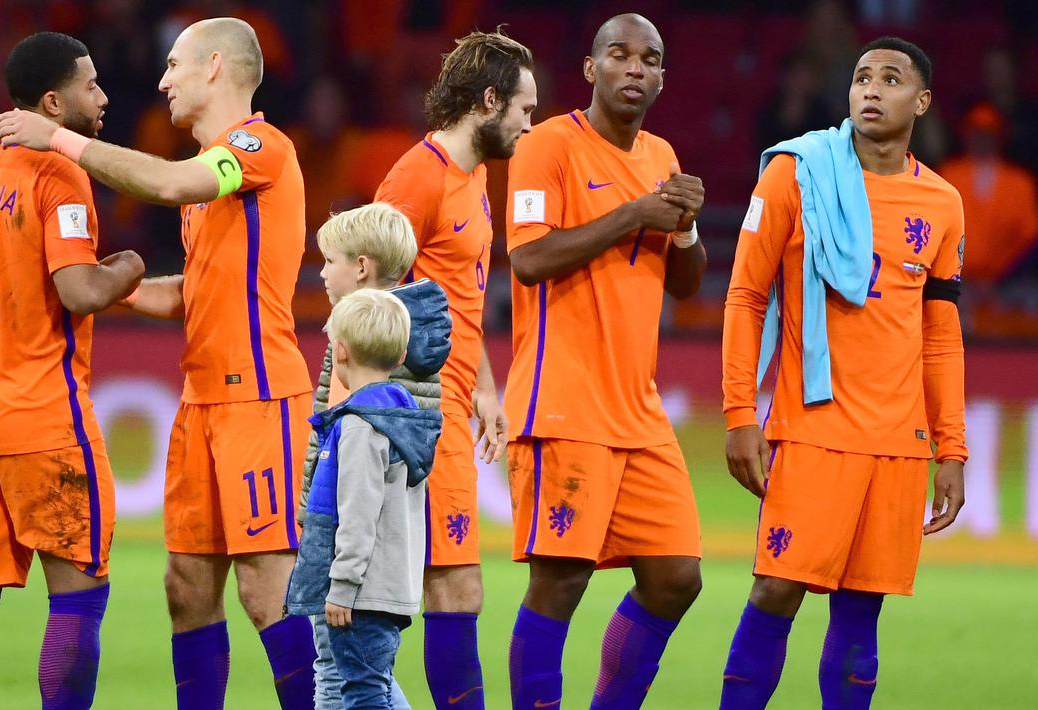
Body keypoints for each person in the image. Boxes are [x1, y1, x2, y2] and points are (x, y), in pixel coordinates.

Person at [0, 18, 316, 709]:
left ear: (216, 67)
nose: (162, 80)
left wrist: (63, 140)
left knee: (266, 591)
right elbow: (191, 294)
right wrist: (100, 284)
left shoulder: (257, 147)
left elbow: (169, 185)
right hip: (201, 403)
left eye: (174, 65)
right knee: (186, 591)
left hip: (258, 400)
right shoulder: (214, 186)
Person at [719, 37, 967, 709]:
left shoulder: (942, 203)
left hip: (895, 442)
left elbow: (939, 334)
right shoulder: (795, 174)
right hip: (811, 429)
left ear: (919, 102)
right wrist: (741, 413)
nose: (870, 89)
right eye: (861, 77)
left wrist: (952, 447)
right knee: (774, 592)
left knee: (861, 611)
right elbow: (744, 296)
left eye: (890, 79)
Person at [0, 31, 144, 709]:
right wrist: (127, 267)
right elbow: (80, 291)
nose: (102, 97)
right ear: (53, 102)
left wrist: (10, 298)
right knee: (78, 605)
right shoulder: (61, 174)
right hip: (46, 424)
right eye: (90, 84)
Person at [503, 13, 707, 709]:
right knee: (560, 581)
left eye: (647, 59)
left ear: (659, 78)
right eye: (617, 55)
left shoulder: (662, 156)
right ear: (590, 69)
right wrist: (634, 213)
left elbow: (685, 284)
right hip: (563, 399)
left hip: (636, 408)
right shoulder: (546, 147)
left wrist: (681, 230)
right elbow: (528, 260)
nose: (632, 68)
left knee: (676, 578)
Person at [372, 29, 536, 708]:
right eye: (524, 108)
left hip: (451, 407)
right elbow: (363, 286)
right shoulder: (419, 174)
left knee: (450, 588)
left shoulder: (474, 179)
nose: (531, 123)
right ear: (488, 100)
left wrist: (485, 389)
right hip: (412, 414)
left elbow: (456, 296)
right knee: (438, 589)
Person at [299, 202, 451, 708]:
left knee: (343, 675)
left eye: (330, 260)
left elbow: (354, 474)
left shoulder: (363, 350)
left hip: (353, 551)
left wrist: (334, 555)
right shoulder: (405, 342)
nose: (321, 271)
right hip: (377, 552)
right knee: (367, 676)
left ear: (361, 267)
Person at [939, 102, 1038, 286]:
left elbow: (1029, 238)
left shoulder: (1020, 182)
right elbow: (937, 228)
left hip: (1007, 284)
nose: (982, 139)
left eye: (988, 133)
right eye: (976, 132)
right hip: (955, 280)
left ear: (999, 136)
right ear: (966, 134)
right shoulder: (949, 175)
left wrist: (1003, 276)